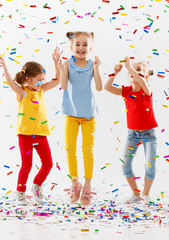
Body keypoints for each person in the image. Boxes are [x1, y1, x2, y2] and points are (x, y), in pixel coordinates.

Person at [0, 47, 62, 205]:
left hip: (41, 134)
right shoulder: (22, 92)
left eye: (42, 79)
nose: (41, 83)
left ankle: (37, 187)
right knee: (26, 166)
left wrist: (55, 62)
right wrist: (4, 65)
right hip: (25, 136)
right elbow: (10, 82)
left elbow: (57, 80)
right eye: (39, 79)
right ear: (27, 80)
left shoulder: (41, 90)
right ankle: (20, 192)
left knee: (48, 164)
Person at [104, 56, 158, 204]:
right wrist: (114, 74)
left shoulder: (147, 90)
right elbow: (107, 87)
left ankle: (146, 194)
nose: (134, 73)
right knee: (125, 165)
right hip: (132, 134)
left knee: (150, 166)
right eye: (132, 72)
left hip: (149, 134)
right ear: (129, 78)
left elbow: (142, 84)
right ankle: (136, 194)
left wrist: (129, 68)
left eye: (139, 70)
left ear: (146, 77)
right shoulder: (126, 91)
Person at [59, 31, 102, 207]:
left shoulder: (93, 64)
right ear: (71, 47)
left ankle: (88, 185)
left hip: (89, 115)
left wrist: (97, 69)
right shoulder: (67, 64)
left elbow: (99, 88)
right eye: (77, 44)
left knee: (87, 150)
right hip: (71, 113)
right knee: (69, 148)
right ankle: (75, 183)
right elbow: (63, 86)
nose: (81, 48)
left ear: (90, 47)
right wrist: (62, 70)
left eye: (85, 45)